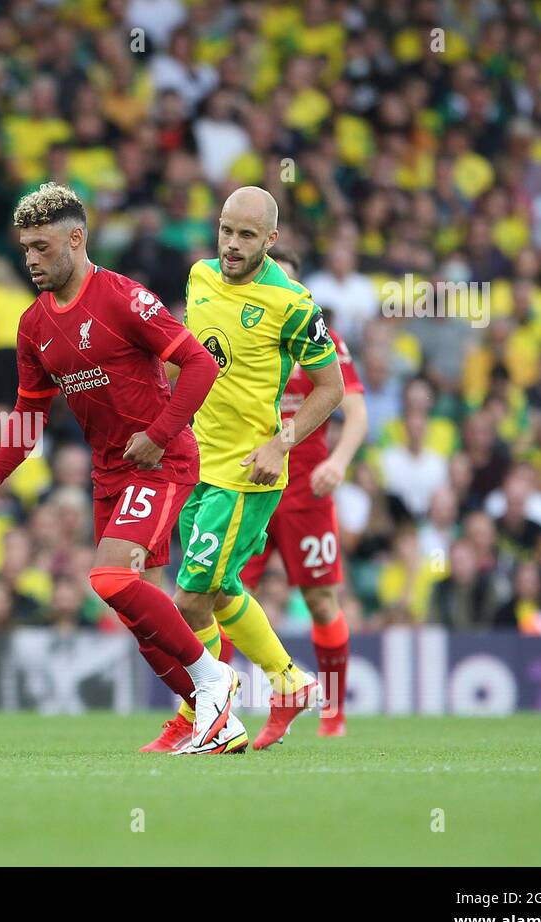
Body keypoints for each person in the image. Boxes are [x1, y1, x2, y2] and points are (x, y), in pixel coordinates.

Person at [0, 182, 243, 755]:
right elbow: (28, 411)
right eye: (25, 249)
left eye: (41, 246)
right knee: (138, 613)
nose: (31, 260)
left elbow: (199, 364)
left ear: (76, 238)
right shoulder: (34, 325)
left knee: (109, 579)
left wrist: (158, 435)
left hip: (162, 462)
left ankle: (214, 680)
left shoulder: (121, 297)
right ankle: (207, 719)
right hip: (109, 473)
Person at [146, 187, 346, 754]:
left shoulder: (294, 303)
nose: (232, 246)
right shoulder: (198, 277)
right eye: (226, 231)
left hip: (246, 474)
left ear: (271, 240)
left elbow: (330, 389)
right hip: (193, 462)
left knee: (189, 599)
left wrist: (280, 445)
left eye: (247, 236)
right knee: (222, 587)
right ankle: (289, 683)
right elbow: (193, 355)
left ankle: (206, 710)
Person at [230, 247, 367, 739]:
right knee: (222, 591)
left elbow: (355, 411)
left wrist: (338, 460)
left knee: (322, 601)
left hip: (305, 491)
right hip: (249, 484)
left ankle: (333, 715)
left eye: (286, 282)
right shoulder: (240, 336)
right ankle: (219, 711)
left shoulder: (322, 340)